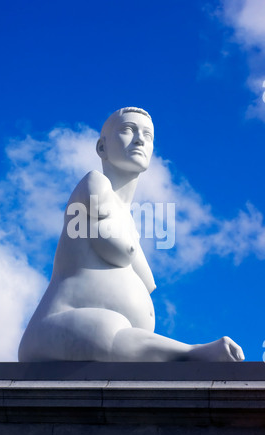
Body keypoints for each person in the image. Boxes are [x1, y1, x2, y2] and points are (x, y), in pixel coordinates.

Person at [18, 107, 245, 362]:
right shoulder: (94, 184)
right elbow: (105, 221)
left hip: (116, 351)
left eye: (148, 135)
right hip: (56, 329)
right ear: (101, 148)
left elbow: (144, 278)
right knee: (106, 327)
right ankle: (189, 353)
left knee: (111, 328)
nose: (140, 139)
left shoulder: (130, 223)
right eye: (128, 130)